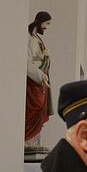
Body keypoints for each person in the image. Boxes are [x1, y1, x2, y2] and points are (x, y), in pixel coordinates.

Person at [25, 10, 53, 144]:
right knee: (36, 106)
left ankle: (33, 140)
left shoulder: (37, 38)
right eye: (46, 23)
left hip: (41, 82)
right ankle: (27, 139)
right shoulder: (29, 38)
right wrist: (40, 75)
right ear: (40, 22)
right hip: (34, 82)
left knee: (41, 109)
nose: (47, 27)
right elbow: (27, 62)